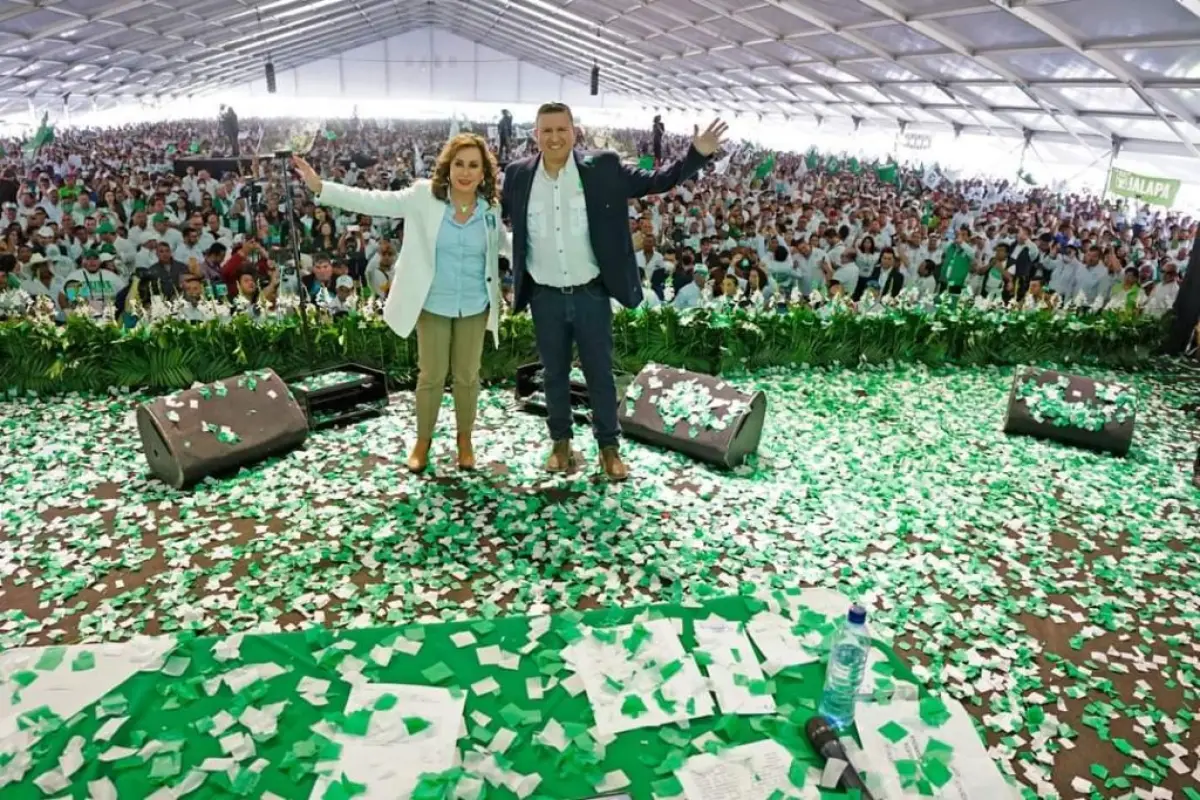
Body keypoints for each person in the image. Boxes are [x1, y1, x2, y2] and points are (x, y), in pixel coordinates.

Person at [501, 101, 726, 481]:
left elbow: (657, 180)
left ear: (575, 132)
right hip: (544, 295)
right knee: (553, 373)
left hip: (590, 293)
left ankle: (609, 447)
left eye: (561, 129)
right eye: (546, 131)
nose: (554, 137)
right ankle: (561, 443)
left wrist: (696, 155)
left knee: (599, 374)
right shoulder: (519, 175)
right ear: (535, 135)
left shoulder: (601, 167)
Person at [293, 132, 509, 474]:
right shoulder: (423, 196)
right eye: (459, 164)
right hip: (432, 303)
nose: (465, 172)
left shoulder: (490, 209)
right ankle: (423, 442)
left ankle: (464, 441)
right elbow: (374, 201)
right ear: (447, 167)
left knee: (468, 376)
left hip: (474, 304)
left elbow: (505, 246)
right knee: (431, 375)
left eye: (473, 166)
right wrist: (323, 188)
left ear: (484, 173)